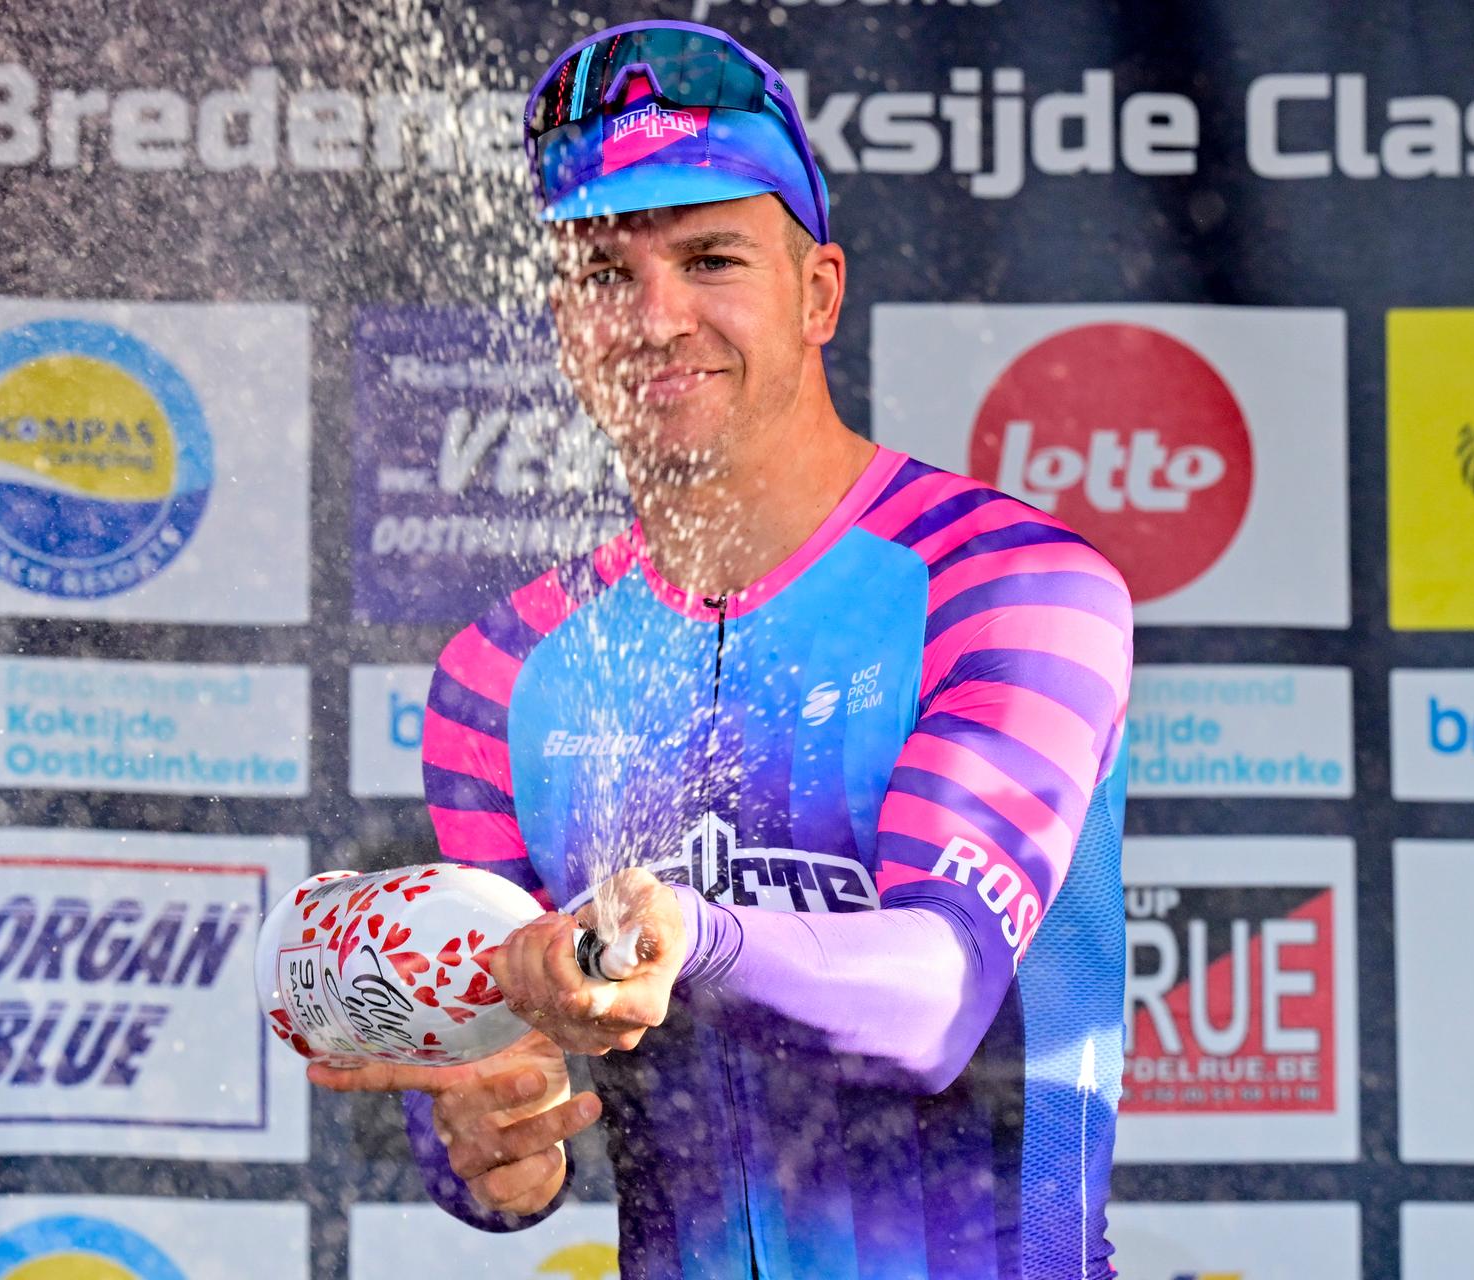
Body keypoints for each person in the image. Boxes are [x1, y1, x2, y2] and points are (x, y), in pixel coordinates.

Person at [311, 20, 1132, 1278]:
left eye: (709, 257)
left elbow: (937, 996)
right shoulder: (501, 671)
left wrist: (690, 935)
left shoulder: (1008, 586)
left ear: (818, 293)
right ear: (561, 319)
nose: (657, 316)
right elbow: (497, 1080)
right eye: (602, 273)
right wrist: (478, 1131)